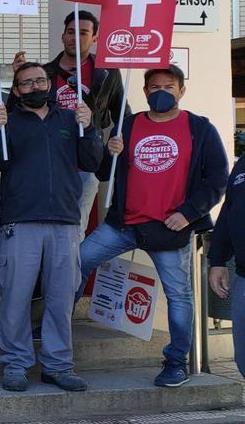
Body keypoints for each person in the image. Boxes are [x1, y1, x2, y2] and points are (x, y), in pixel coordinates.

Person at [79, 65, 227, 388]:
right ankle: (56, 330)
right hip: (124, 225)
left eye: (169, 86)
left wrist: (188, 213)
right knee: (76, 262)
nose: (161, 91)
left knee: (179, 296)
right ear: (144, 92)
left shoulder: (199, 128)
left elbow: (217, 178)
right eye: (155, 86)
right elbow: (106, 173)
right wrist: (110, 152)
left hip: (171, 231)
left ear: (182, 91)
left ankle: (176, 362)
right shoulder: (128, 125)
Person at [0, 61, 102, 393]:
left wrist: (89, 127)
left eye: (40, 81)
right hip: (20, 223)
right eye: (26, 83)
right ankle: (16, 364)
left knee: (60, 300)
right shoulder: (7, 121)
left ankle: (58, 366)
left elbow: (93, 162)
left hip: (65, 222)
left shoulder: (69, 118)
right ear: (16, 90)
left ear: (49, 84)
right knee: (16, 298)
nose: (35, 87)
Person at [12, 10, 127, 232]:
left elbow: (122, 112)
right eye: (71, 32)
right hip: (49, 158)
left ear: (95, 39)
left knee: (75, 227)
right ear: (63, 36)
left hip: (86, 159)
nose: (75, 38)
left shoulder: (107, 72)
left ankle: (71, 268)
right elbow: (16, 111)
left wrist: (116, 141)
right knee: (41, 224)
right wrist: (17, 78)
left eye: (83, 33)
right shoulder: (44, 72)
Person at [209, 154, 245, 380]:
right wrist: (218, 260)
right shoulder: (243, 163)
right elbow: (229, 209)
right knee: (242, 356)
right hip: (243, 275)